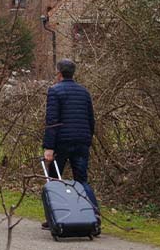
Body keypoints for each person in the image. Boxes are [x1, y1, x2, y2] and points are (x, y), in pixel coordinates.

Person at [41, 58, 99, 229]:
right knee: (81, 180)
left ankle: (56, 216)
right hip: (82, 140)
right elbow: (91, 119)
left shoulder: (55, 91)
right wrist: (87, 139)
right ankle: (93, 213)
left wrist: (49, 147)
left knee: (54, 180)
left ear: (59, 72)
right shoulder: (84, 92)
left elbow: (52, 121)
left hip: (62, 142)